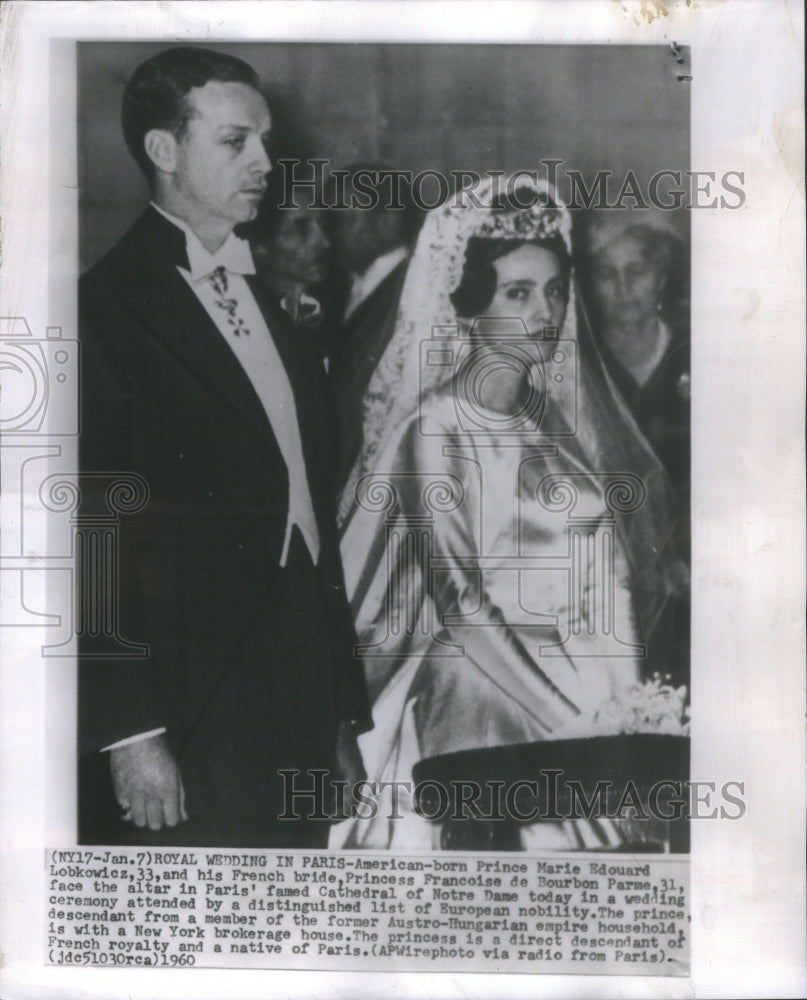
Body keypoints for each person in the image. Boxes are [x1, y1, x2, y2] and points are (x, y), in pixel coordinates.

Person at [330, 177, 680, 850]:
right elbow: (458, 604)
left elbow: (605, 579)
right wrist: (572, 725)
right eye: (516, 292)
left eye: (553, 290)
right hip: (487, 707)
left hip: (586, 691)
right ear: (466, 308)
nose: (543, 312)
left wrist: (622, 711)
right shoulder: (435, 429)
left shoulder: (548, 423)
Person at [78, 46, 369, 848]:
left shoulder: (266, 304)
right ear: (164, 153)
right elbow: (92, 542)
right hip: (187, 709)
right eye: (236, 141)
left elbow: (309, 521)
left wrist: (338, 715)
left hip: (296, 695)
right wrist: (129, 735)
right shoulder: (101, 311)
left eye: (264, 141)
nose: (265, 163)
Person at [582, 210, 690, 684]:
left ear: (662, 276)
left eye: (637, 272)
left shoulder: (694, 353)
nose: (623, 288)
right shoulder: (583, 365)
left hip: (691, 572)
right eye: (607, 274)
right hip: (604, 576)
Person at [327, 163, 422, 497]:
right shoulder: (345, 286)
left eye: (340, 220)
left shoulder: (415, 291)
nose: (328, 235)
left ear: (387, 219)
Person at [243, 167, 332, 362]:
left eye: (322, 225)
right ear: (260, 245)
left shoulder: (320, 316)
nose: (325, 242)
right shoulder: (250, 325)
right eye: (302, 228)